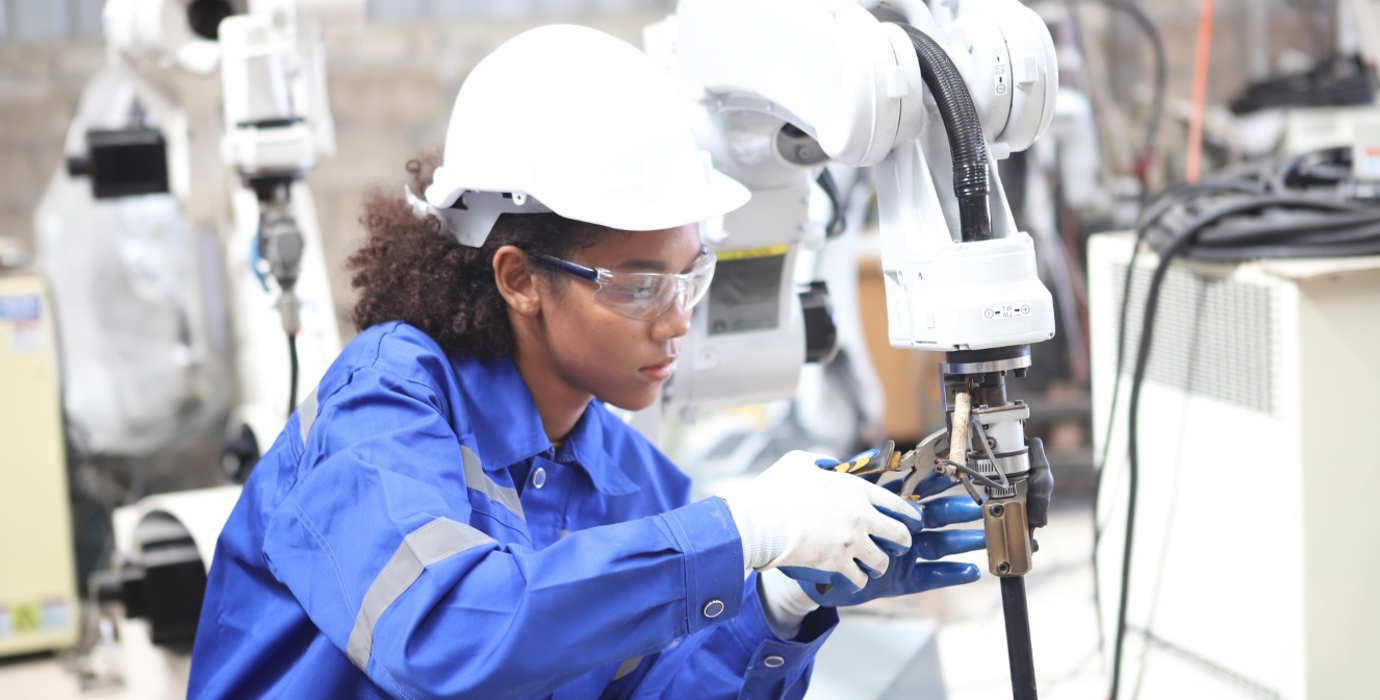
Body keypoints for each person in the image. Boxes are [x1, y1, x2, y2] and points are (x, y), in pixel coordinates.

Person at [188, 25, 986, 700]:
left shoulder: (629, 481)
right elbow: (439, 633)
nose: (679, 318)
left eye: (691, 274)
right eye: (639, 286)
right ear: (519, 279)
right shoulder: (383, 411)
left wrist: (774, 606)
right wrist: (744, 529)